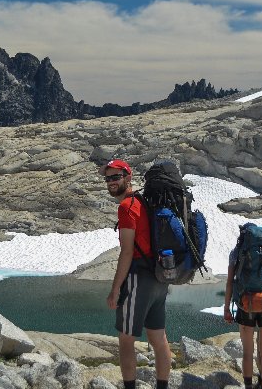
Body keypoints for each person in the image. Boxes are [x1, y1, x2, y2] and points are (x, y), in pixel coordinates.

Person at [101, 159, 171, 389]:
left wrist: (115, 289)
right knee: (158, 338)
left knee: (126, 339)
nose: (111, 182)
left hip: (138, 278)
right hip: (159, 279)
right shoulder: (143, 201)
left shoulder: (126, 207)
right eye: (108, 178)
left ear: (128, 178)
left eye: (116, 177)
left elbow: (127, 251)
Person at [224, 228, 262, 389]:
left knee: (247, 351)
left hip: (246, 303)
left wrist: (227, 308)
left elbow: (230, 281)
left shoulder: (237, 251)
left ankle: (248, 386)